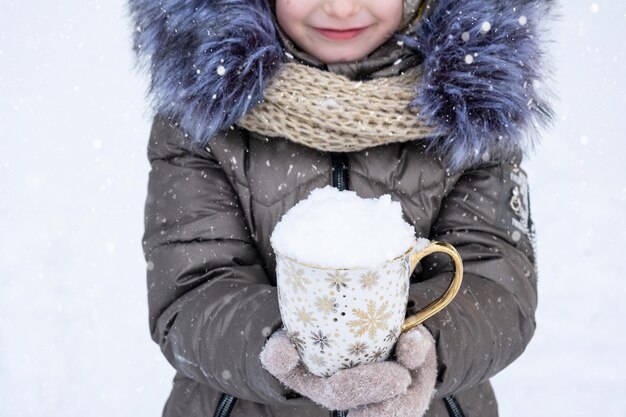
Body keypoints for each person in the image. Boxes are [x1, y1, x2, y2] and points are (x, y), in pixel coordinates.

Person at [129, 0, 556, 416]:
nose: (341, 8)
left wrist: (422, 344)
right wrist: (281, 346)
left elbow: (495, 278)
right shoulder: (202, 112)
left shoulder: (475, 110)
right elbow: (193, 286)